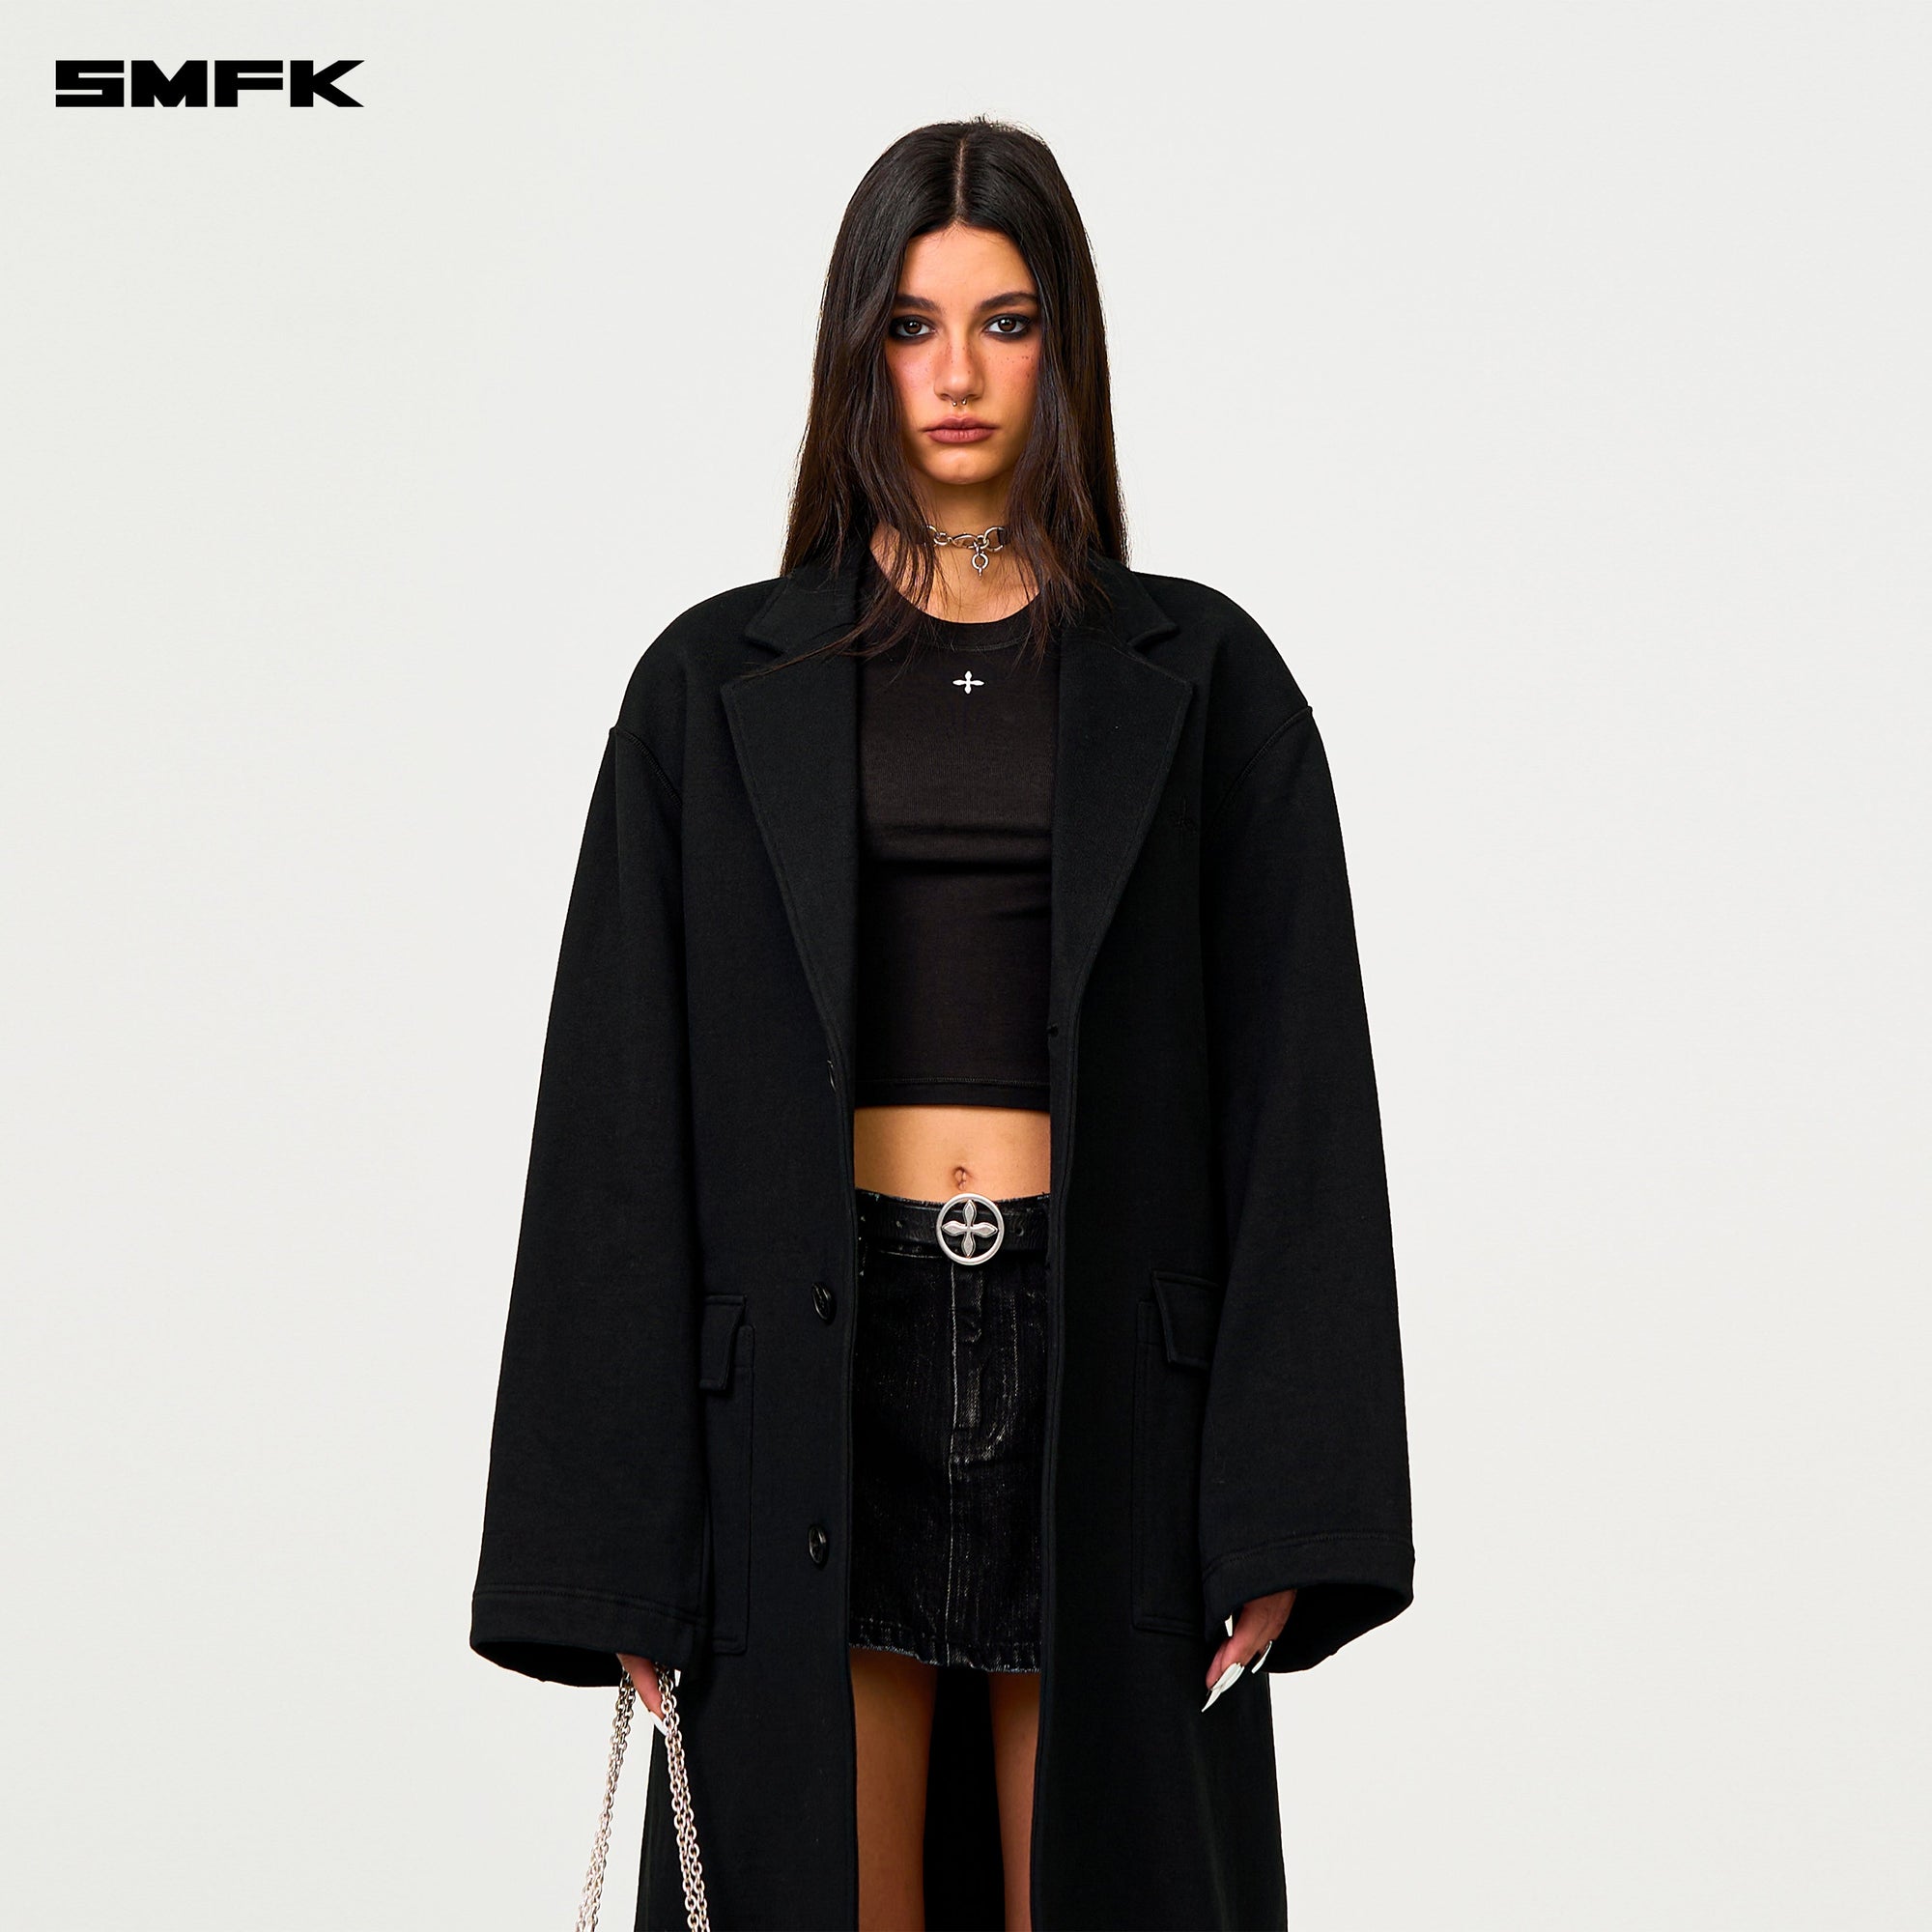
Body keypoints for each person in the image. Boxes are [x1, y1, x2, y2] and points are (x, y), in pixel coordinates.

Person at [471, 117, 1414, 1931]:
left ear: (1067, 346)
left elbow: (1301, 1100)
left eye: (1004, 322)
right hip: (822, 1362)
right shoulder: (711, 685)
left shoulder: (1207, 678)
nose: (958, 375)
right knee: (829, 1887)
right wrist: (620, 1551)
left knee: (1109, 1880)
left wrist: (1287, 1508)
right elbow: (615, 1114)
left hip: (1109, 1363)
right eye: (912, 326)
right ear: (859, 351)